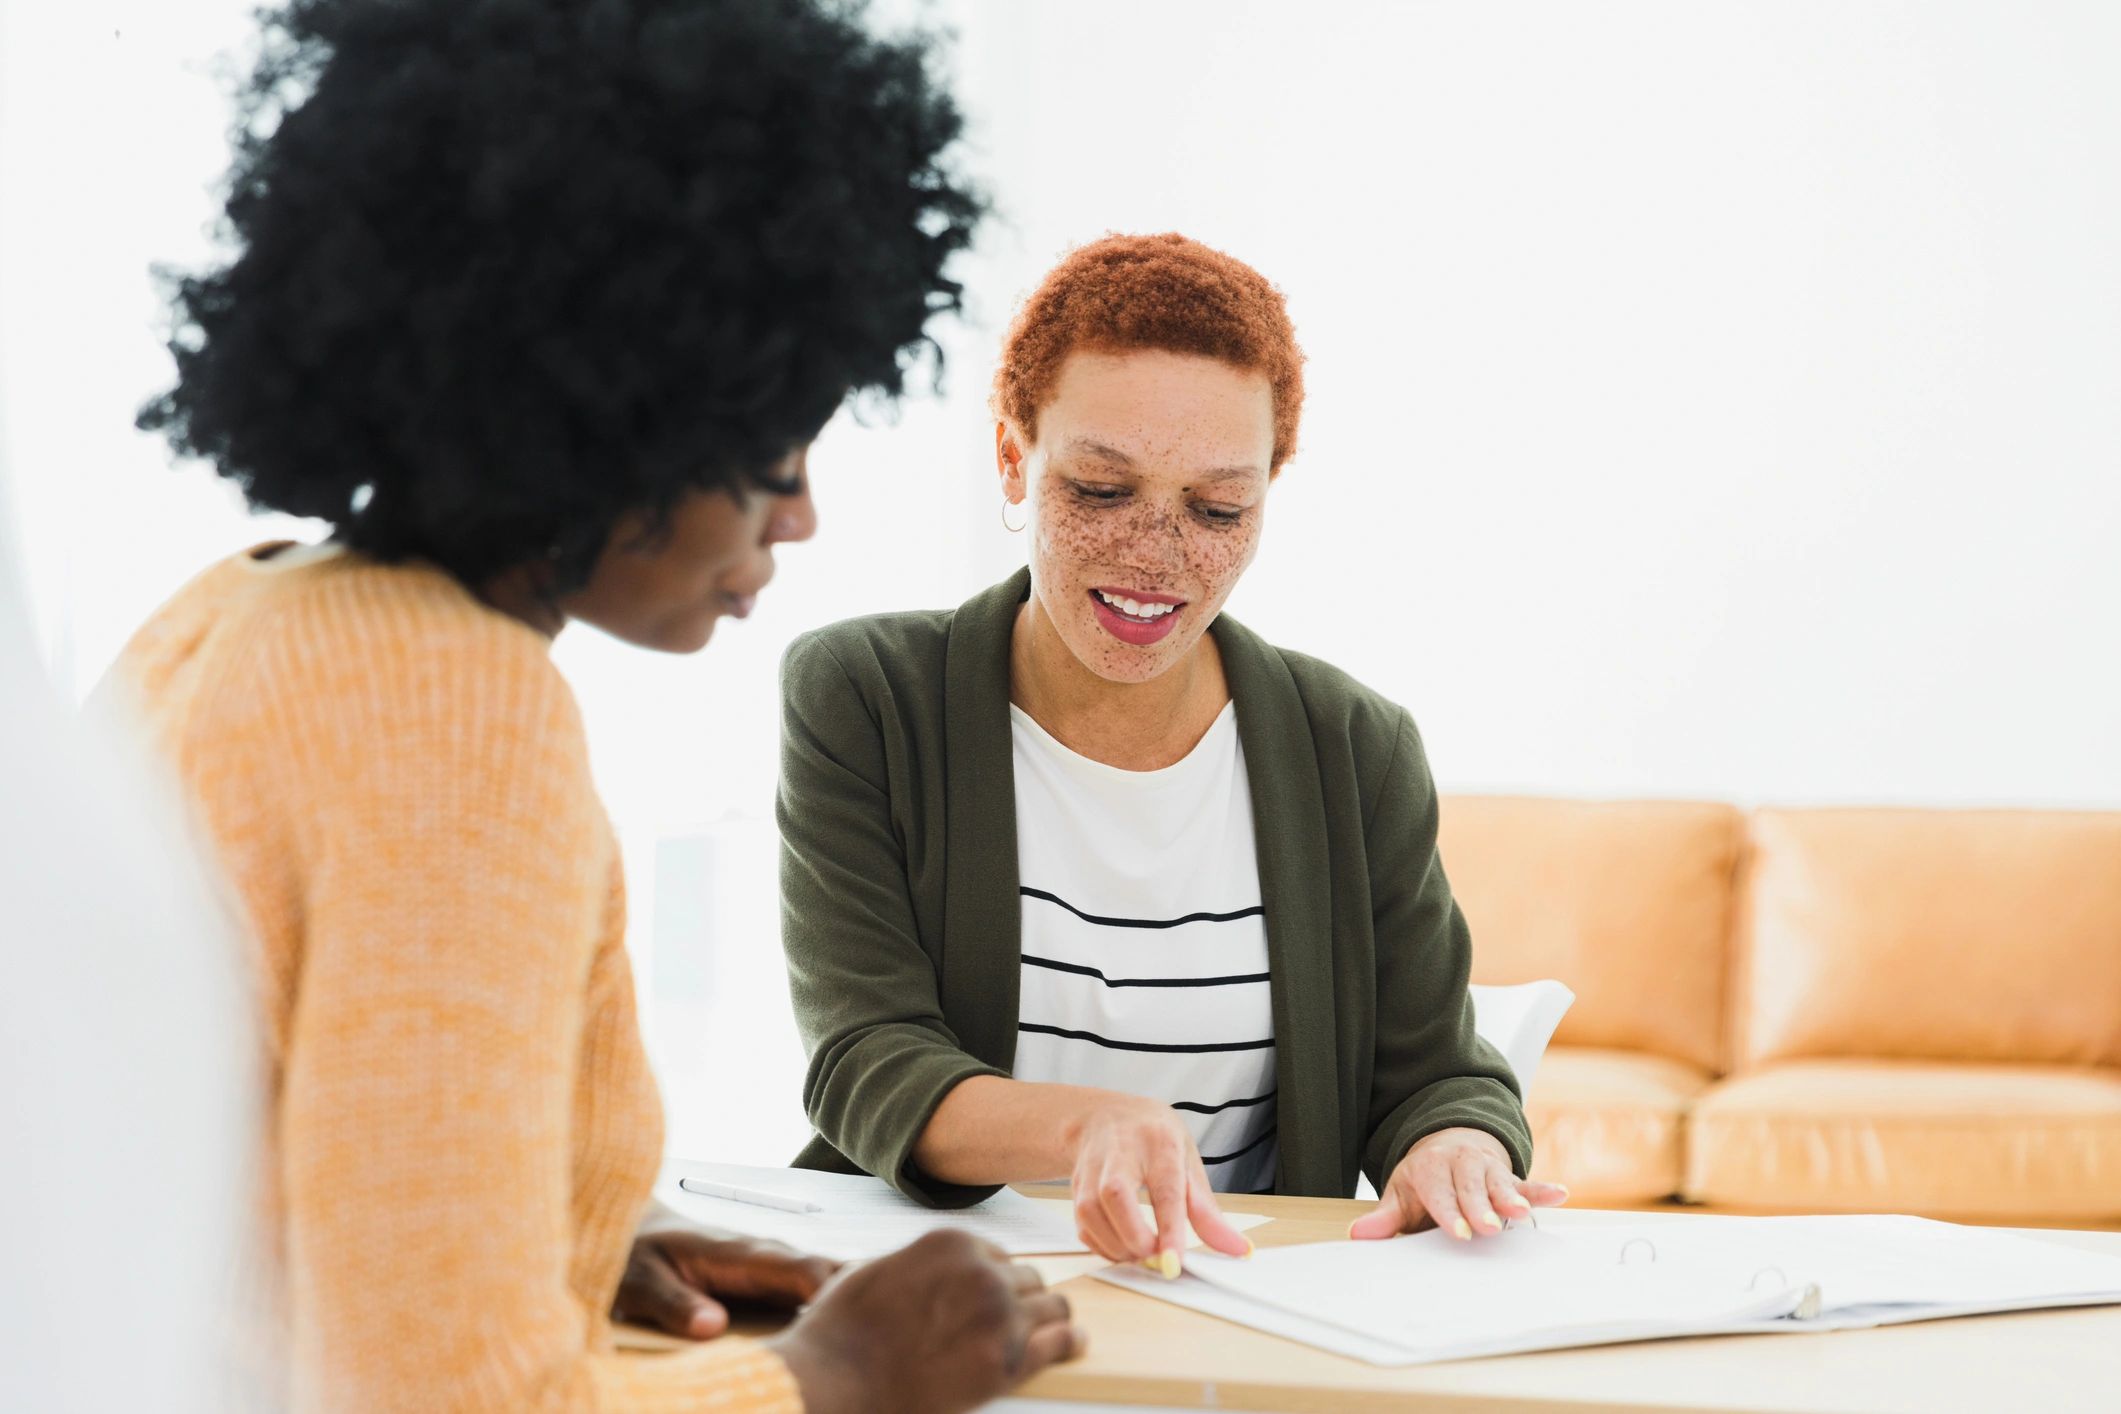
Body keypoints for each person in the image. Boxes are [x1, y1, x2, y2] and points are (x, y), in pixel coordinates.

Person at [110, 1, 1079, 1409]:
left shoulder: (243, 608)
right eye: (769, 443)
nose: (801, 514)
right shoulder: (457, 717)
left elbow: (266, 1183)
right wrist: (832, 1376)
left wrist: (564, 1237)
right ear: (618, 408)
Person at [780, 232, 1569, 1272]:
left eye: (1217, 509)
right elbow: (864, 1056)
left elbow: (1432, 1070)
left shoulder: (1355, 746)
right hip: (934, 1293)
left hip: (1234, 1302)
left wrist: (1454, 1145)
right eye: (1101, 491)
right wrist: (1082, 1125)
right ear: (1015, 457)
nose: (1154, 557)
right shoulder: (867, 696)